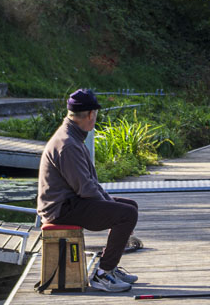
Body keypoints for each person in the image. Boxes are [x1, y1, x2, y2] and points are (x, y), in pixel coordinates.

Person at [37, 89, 140, 292]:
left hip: (70, 201)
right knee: (126, 214)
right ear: (91, 115)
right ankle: (103, 274)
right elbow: (85, 189)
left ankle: (111, 266)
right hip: (61, 209)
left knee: (128, 207)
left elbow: (90, 183)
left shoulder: (72, 136)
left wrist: (110, 203)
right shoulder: (68, 145)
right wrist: (111, 207)